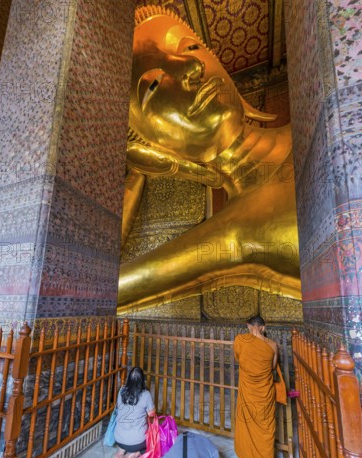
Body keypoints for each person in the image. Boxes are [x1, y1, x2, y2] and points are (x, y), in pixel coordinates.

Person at [117, 6, 300, 315]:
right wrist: (138, 173)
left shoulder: (322, 119)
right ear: (158, 150)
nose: (191, 66)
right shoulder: (234, 233)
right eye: (153, 86)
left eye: (191, 47)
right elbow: (100, 292)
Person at [234, 315, 279, 458]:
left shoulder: (240, 340)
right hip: (265, 394)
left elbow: (238, 358)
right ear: (263, 327)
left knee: (247, 427)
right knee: (266, 431)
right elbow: (273, 367)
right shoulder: (272, 345)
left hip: (248, 391)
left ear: (248, 326)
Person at [114, 367, 155, 458]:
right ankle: (134, 454)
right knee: (153, 441)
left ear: (129, 379)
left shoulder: (121, 391)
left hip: (118, 438)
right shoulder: (146, 394)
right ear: (142, 380)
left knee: (126, 425)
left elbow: (118, 407)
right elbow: (151, 414)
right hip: (137, 442)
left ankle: (121, 450)